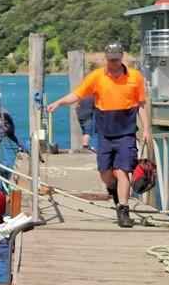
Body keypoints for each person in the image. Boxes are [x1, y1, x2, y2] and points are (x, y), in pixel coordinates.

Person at [47, 42, 151, 228]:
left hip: (126, 133)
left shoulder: (135, 77)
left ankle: (123, 210)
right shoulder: (96, 77)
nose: (114, 63)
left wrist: (146, 130)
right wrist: (59, 102)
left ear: (122, 57)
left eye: (117, 59)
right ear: (106, 58)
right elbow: (77, 94)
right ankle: (112, 189)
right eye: (110, 60)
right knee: (106, 175)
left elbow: (141, 104)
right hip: (105, 133)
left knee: (122, 171)